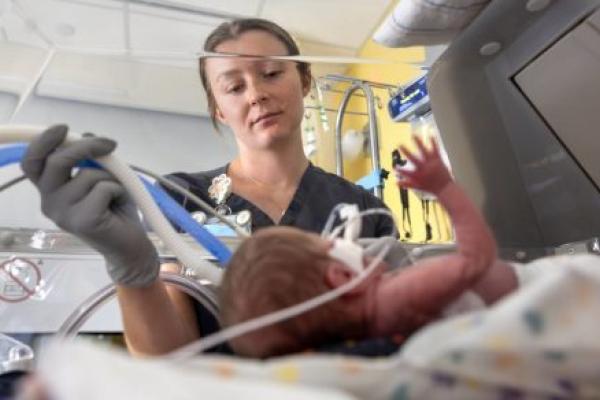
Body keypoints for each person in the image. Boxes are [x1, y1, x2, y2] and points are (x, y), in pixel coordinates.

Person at [20, 18, 394, 356]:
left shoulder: (358, 206)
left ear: (305, 80)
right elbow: (166, 356)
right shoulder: (181, 199)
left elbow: (395, 326)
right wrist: (131, 270)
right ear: (218, 108)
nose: (255, 94)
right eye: (233, 87)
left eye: (271, 73)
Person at [218, 136, 519, 358]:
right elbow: (477, 258)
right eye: (336, 242)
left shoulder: (373, 332)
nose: (354, 242)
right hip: (525, 297)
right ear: (343, 278)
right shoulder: (395, 296)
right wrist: (444, 188)